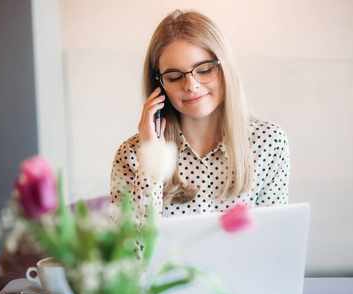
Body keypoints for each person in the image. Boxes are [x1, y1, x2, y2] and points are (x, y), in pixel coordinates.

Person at [110, 10, 290, 226]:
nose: (191, 86)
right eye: (175, 77)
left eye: (204, 70)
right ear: (159, 86)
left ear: (226, 70)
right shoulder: (131, 154)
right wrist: (151, 161)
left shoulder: (269, 142)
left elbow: (274, 242)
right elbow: (130, 254)